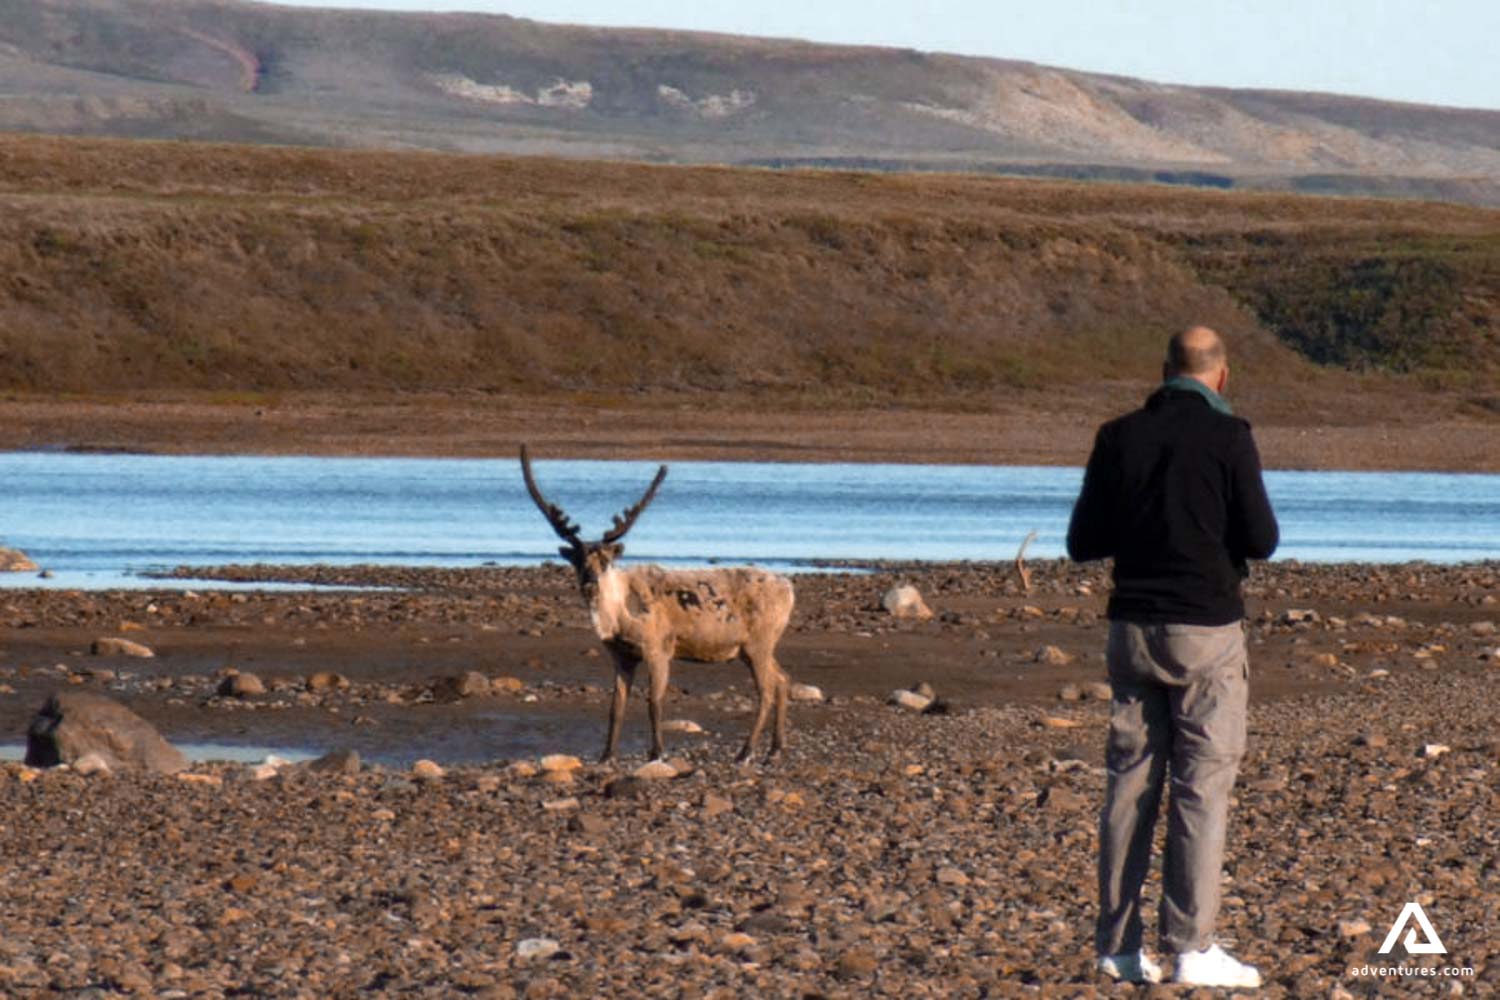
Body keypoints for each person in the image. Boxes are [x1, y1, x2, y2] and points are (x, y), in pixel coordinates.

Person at [1067, 325, 1279, 988]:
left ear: (1165, 372)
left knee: (1130, 784)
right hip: (1205, 630)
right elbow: (1263, 538)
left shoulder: (1118, 436)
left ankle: (1118, 946)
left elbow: (1083, 541)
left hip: (1132, 627)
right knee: (1201, 787)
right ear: (1221, 375)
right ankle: (1192, 945)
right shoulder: (1230, 436)